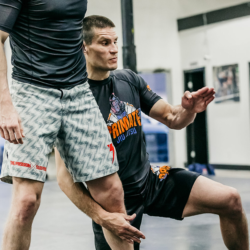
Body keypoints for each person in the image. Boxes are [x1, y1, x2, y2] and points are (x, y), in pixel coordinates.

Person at [56, 15, 249, 250]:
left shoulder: (128, 80)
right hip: (112, 201)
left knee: (231, 200)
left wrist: (189, 110)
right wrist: (102, 217)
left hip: (150, 181)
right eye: (105, 43)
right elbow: (64, 178)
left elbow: (172, 118)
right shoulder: (72, 99)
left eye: (116, 41)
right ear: (83, 47)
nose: (114, 49)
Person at [0, 2, 143, 250]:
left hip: (78, 92)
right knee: (26, 202)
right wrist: (4, 105)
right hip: (32, 91)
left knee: (112, 194)